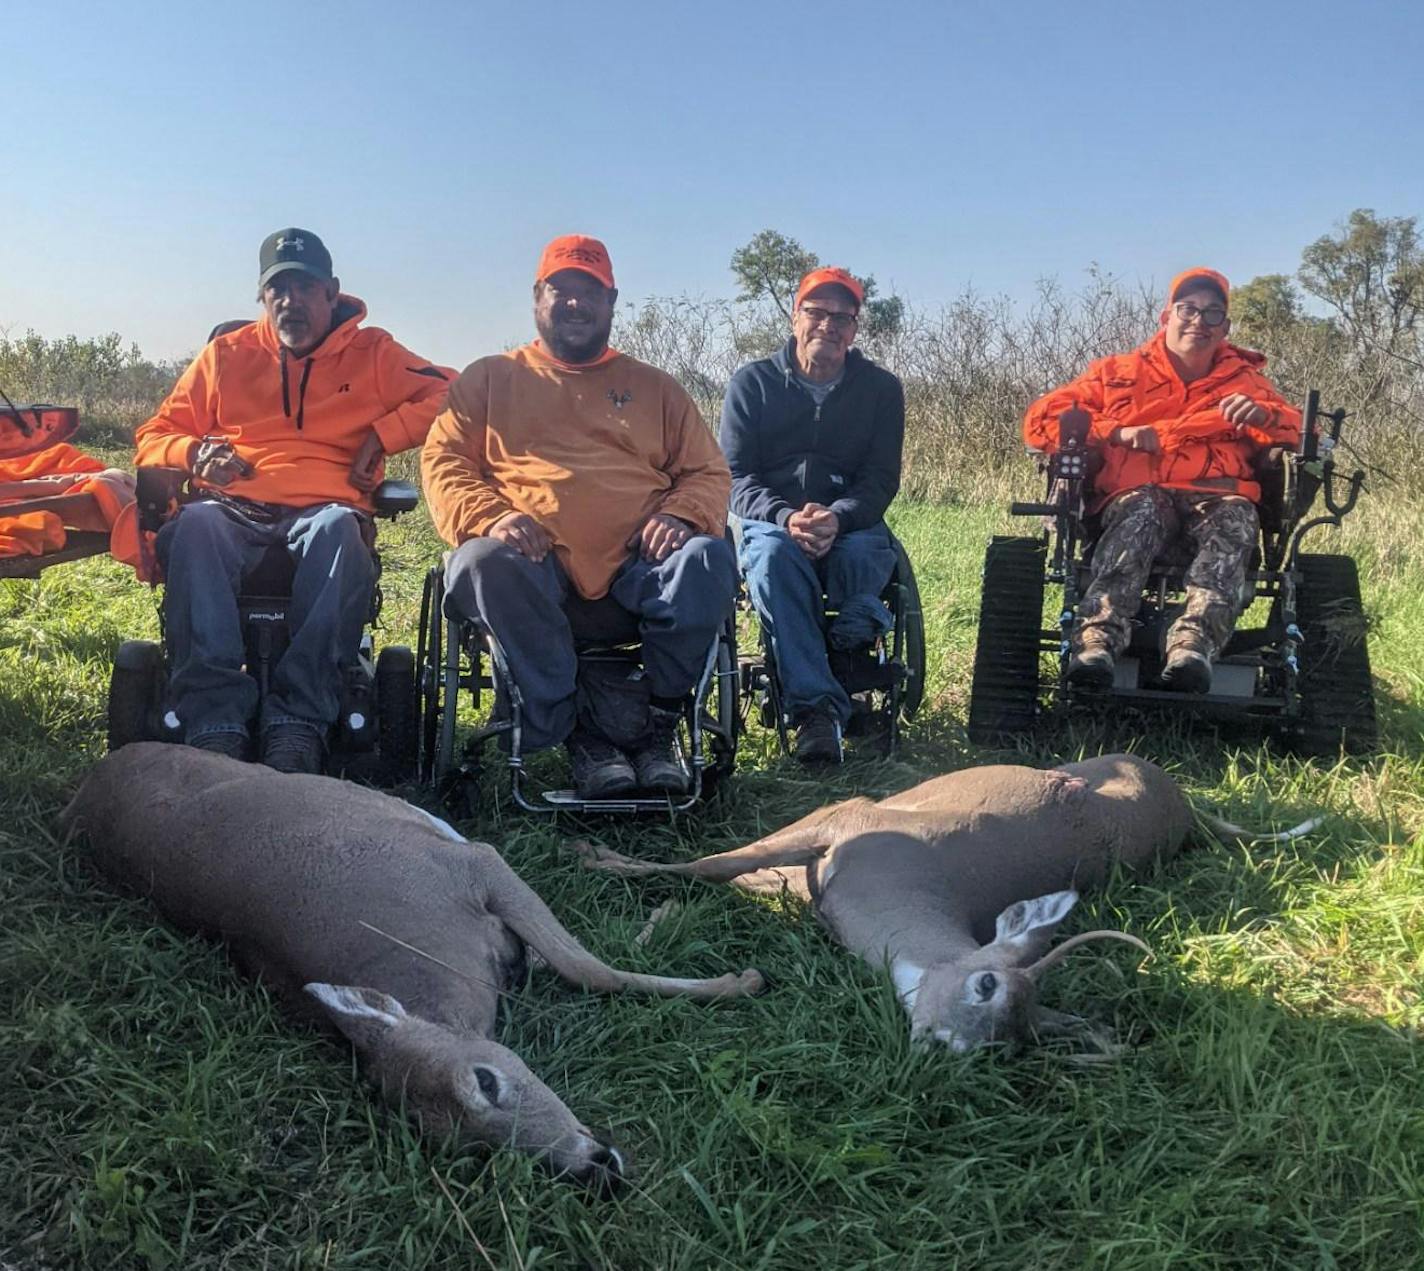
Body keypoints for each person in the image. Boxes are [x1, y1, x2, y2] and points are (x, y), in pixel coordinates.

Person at [420, 235, 736, 799]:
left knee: (710, 556)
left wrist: (683, 515)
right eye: (561, 289)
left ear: (612, 302)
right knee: (479, 561)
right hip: (534, 574)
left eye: (590, 291)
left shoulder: (657, 389)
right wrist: (492, 515)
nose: (575, 302)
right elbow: (443, 462)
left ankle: (655, 725)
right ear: (537, 297)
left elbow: (708, 473)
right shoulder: (489, 379)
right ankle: (575, 729)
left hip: (642, 569)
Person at [134, 228, 452, 773]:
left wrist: (385, 433)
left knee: (338, 533)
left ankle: (299, 721)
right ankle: (214, 721)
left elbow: (454, 390)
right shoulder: (224, 356)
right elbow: (155, 434)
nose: (291, 302)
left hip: (325, 508)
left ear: (331, 292)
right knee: (195, 528)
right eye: (277, 289)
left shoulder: (374, 353)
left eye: (304, 288)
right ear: (262, 298)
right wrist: (192, 453)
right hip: (233, 508)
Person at [1023, 267, 1301, 693]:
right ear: (1166, 316)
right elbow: (1042, 420)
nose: (1198, 322)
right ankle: (1096, 642)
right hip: (1134, 501)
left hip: (1217, 500)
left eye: (1212, 314)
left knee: (1236, 515)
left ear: (1224, 327)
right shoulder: (1117, 373)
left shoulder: (1247, 383)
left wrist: (1267, 416)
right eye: (1188, 309)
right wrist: (1115, 432)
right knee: (1144, 508)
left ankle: (1193, 646)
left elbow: (1309, 434)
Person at [720, 266, 905, 763]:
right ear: (794, 317)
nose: (829, 325)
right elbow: (736, 477)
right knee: (774, 557)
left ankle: (849, 647)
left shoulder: (881, 390)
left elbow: (881, 478)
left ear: (855, 328)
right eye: (817, 313)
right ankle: (816, 712)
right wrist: (785, 517)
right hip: (774, 520)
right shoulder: (751, 383)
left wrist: (838, 518)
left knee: (867, 549)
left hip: (850, 517)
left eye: (842, 317)